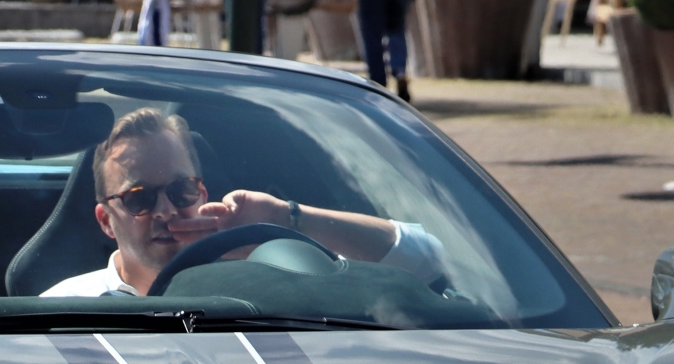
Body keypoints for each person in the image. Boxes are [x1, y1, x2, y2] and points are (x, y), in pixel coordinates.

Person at [39, 108, 442, 297]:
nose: (165, 210)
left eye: (180, 190)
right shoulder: (64, 308)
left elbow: (429, 258)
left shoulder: (270, 281)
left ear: (201, 192)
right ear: (106, 220)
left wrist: (285, 218)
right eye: (138, 198)